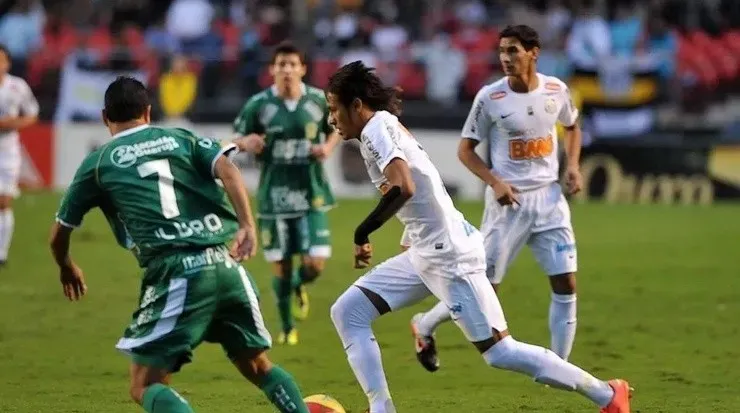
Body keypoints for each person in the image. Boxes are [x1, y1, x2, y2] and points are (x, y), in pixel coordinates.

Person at [326, 61, 631, 413]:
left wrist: (363, 231)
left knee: (500, 352)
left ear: (356, 106)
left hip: (449, 255)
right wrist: (412, 231)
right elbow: (424, 183)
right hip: (428, 250)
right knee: (348, 311)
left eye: (334, 109)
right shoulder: (382, 127)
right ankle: (382, 409)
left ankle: (608, 396)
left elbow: (404, 187)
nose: (332, 119)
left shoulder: (377, 129)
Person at [49, 76, 310, 413]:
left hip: (178, 271)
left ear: (104, 117)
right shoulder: (180, 137)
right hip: (227, 264)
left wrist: (66, 265)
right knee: (259, 366)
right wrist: (247, 224)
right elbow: (228, 170)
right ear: (148, 111)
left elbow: (59, 233)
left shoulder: (98, 163)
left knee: (145, 383)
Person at [411, 24, 585, 371]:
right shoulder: (491, 97)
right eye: (502, 51)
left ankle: (561, 365)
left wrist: (574, 166)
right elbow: (465, 150)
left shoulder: (556, 90)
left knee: (566, 281)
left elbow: (573, 126)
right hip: (509, 204)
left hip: (550, 200)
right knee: (484, 288)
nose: (505, 58)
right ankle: (425, 324)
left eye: (513, 51)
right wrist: (494, 182)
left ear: (534, 52)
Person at [232, 41, 339, 346]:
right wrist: (246, 142)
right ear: (272, 70)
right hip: (274, 194)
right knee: (281, 263)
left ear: (303, 69)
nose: (287, 70)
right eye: (281, 64)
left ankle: (296, 287)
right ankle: (287, 327)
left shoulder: (319, 101)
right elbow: (235, 138)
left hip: (311, 191)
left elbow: (339, 127)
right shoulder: (259, 104)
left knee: (315, 263)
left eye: (293, 64)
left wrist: (328, 147)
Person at [0, 44, 39, 267]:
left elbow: (32, 114)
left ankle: (2, 253)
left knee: (4, 201)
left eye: (1, 60)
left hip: (7, 152)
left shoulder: (18, 86)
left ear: (8, 63)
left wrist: (12, 124)